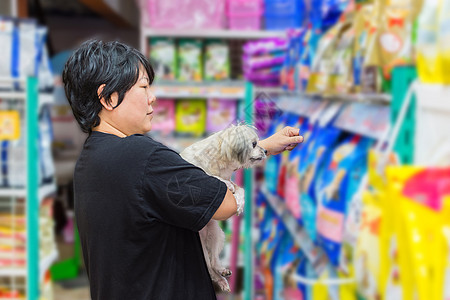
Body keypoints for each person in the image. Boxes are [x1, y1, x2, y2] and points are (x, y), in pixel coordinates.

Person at [63, 40, 303, 300]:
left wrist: (262, 147)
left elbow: (169, 184)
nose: (152, 96)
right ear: (108, 97)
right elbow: (226, 204)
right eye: (143, 86)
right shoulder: (144, 157)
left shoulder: (91, 158)